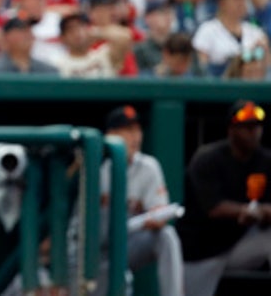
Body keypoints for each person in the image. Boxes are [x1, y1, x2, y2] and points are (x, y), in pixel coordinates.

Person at [178, 100, 271, 296]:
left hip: (240, 244)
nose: (253, 132)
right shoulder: (208, 158)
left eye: (256, 126)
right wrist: (248, 212)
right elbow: (214, 207)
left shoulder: (265, 160)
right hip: (201, 251)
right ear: (231, 130)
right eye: (246, 127)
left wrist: (261, 212)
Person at [92, 106, 184, 296]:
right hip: (94, 250)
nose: (136, 137)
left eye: (137, 130)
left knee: (167, 236)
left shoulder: (149, 167)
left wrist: (157, 219)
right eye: (128, 130)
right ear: (111, 135)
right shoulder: (96, 165)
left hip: (127, 244)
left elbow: (159, 208)